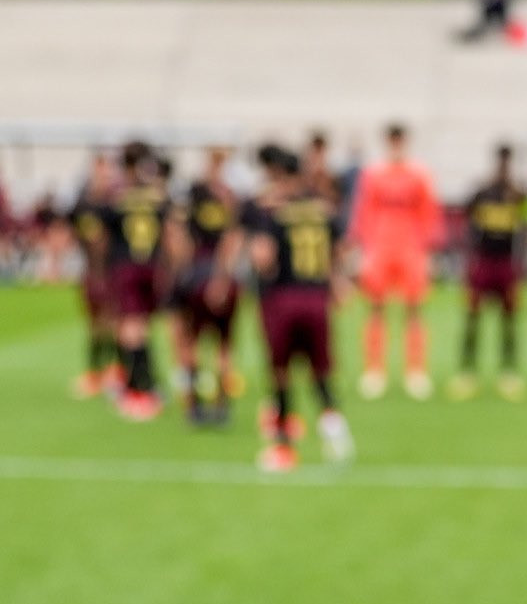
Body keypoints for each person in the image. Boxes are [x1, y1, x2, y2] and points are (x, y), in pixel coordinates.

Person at [239, 143, 352, 472]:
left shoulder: (272, 211)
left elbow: (263, 258)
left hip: (283, 298)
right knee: (320, 370)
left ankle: (283, 447)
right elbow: (341, 251)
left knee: (280, 373)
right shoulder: (322, 209)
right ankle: (336, 433)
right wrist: (337, 282)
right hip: (317, 299)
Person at [349, 123, 442, 400]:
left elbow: (428, 213)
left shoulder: (419, 174)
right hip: (380, 245)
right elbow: (364, 211)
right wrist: (362, 249)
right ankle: (374, 370)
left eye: (399, 141)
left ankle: (415, 370)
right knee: (376, 307)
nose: (396, 146)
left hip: (411, 246)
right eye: (392, 141)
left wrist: (430, 251)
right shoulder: (373, 174)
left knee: (414, 308)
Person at [101, 140, 178, 421]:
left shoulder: (115, 197)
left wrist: (102, 269)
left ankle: (137, 388)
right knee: (142, 326)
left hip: (125, 266)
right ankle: (145, 384)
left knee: (130, 326)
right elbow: (171, 236)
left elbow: (101, 238)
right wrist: (171, 269)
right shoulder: (158, 196)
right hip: (152, 266)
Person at [454, 144, 527, 400]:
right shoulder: (481, 193)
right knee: (472, 317)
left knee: (508, 320)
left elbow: (526, 229)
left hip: (506, 264)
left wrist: (522, 266)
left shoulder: (519, 195)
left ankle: (508, 372)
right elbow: (467, 225)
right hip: (483, 262)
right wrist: (468, 261)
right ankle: (467, 371)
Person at [172, 146, 241, 425]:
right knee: (224, 344)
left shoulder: (194, 194)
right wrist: (223, 277)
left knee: (190, 340)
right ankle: (221, 406)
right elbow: (233, 239)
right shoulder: (229, 197)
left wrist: (184, 272)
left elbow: (180, 237)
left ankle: (194, 406)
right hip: (222, 277)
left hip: (198, 275)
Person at [69, 153, 122, 398]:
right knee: (95, 326)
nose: (103, 176)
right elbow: (74, 233)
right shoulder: (83, 204)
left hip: (113, 273)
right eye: (99, 171)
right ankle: (94, 373)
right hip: (91, 273)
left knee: (114, 323)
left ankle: (116, 370)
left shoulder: (115, 205)